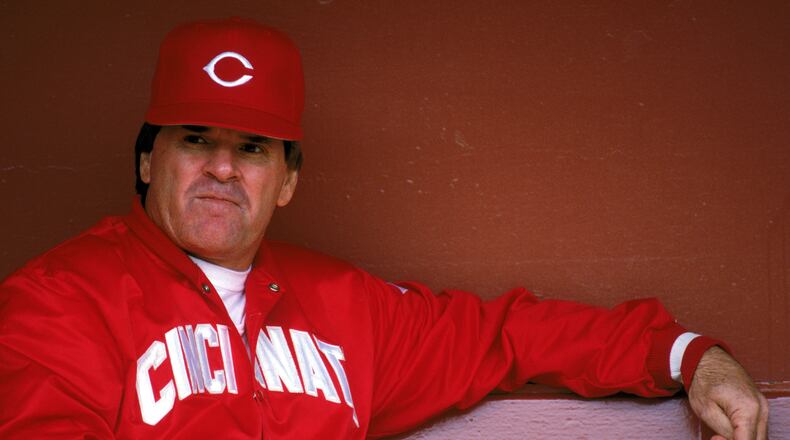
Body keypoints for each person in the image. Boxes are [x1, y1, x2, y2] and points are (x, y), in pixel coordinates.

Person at [0, 17, 768, 440]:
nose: (224, 169)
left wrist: (688, 357)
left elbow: (506, 336)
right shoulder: (55, 305)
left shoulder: (348, 310)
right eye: (196, 138)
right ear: (147, 160)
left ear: (289, 179)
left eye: (253, 148)